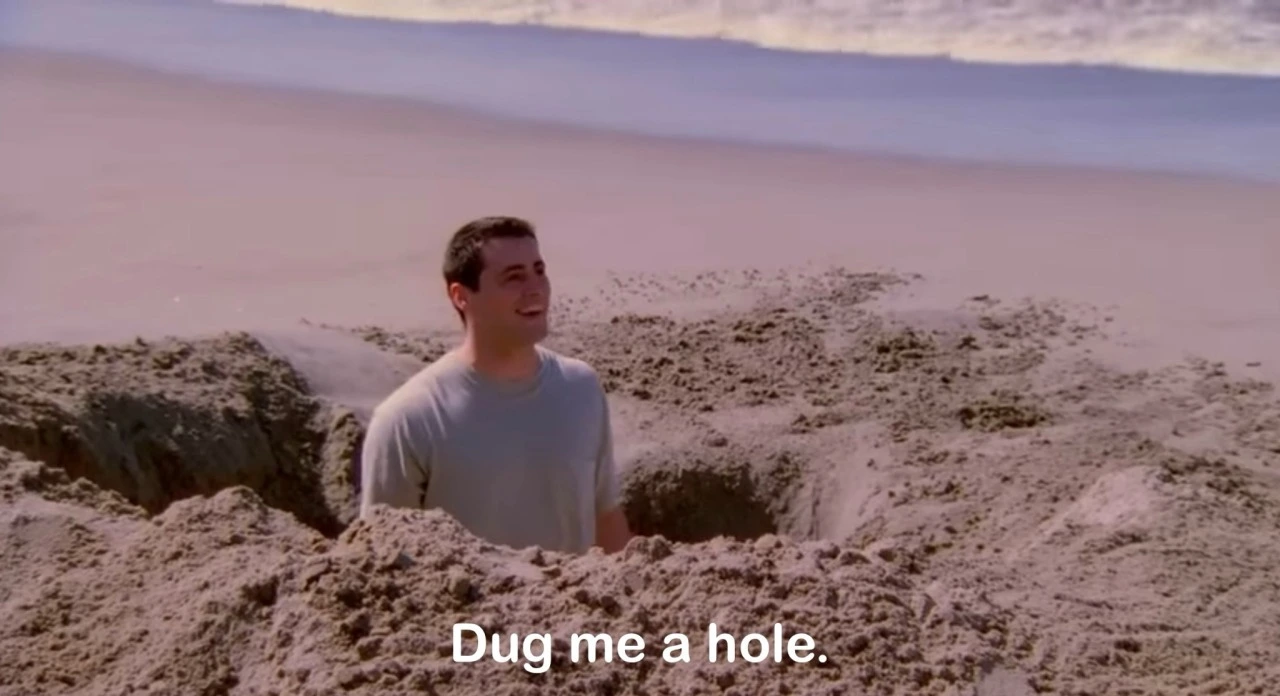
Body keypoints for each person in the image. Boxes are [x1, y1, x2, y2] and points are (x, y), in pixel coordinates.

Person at [358, 215, 634, 554]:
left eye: (539, 271)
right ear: (460, 296)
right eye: (514, 277)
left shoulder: (581, 388)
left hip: (576, 590)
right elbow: (383, 555)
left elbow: (605, 516)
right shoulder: (409, 420)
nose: (535, 288)